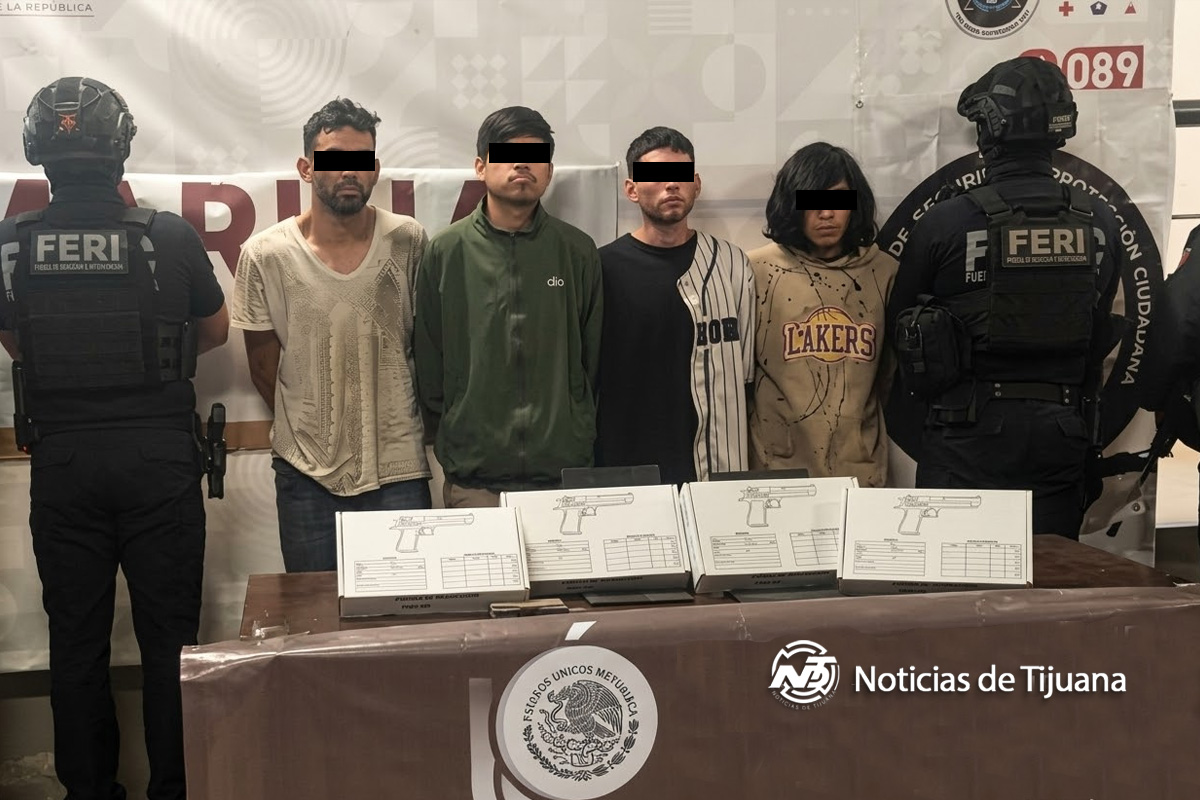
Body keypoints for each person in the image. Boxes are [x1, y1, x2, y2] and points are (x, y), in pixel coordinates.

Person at [0, 77, 228, 800]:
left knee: (75, 644)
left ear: (38, 151)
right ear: (121, 147)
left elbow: (16, 343)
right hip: (158, 458)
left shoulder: (10, 244)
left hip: (63, 461)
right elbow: (215, 330)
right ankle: (175, 790)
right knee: (171, 644)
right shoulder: (169, 236)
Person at [887, 56, 1123, 538]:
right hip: (1062, 433)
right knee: (1050, 574)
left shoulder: (945, 222)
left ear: (989, 131)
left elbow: (901, 327)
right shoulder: (1099, 221)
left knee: (955, 572)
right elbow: (1098, 326)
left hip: (965, 436)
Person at [231, 98, 432, 572]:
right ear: (306, 168)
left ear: (375, 169)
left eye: (360, 160)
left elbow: (428, 350)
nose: (348, 172)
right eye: (334, 160)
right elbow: (264, 369)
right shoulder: (264, 255)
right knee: (313, 610)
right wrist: (312, 429)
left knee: (406, 609)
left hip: (399, 471)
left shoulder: (409, 240)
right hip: (305, 474)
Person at [414, 106, 603, 508]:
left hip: (564, 475)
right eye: (507, 154)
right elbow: (429, 358)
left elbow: (593, 357)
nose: (522, 164)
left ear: (549, 172)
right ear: (480, 167)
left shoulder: (577, 251)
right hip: (475, 478)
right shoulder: (446, 251)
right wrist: (456, 425)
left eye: (535, 156)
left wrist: (576, 424)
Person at [595, 126, 755, 483]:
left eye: (680, 175)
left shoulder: (731, 264)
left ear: (696, 184)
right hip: (629, 468)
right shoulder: (601, 268)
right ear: (631, 189)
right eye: (656, 176)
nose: (671, 185)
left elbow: (746, 375)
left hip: (714, 468)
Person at [747, 142, 897, 486]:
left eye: (838, 200)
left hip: (859, 470)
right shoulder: (756, 270)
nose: (826, 213)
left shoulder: (884, 272)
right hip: (777, 472)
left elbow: (892, 378)